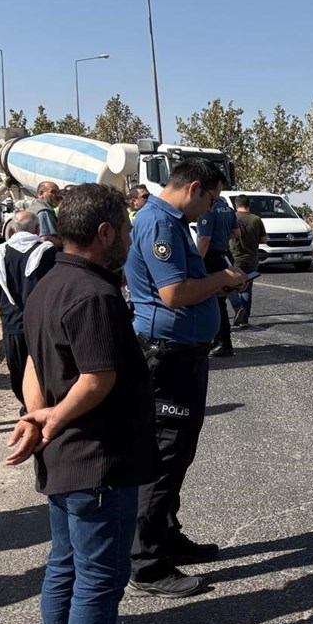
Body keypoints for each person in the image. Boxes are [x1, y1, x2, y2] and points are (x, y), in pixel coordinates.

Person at [3, 184, 154, 624]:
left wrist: (39, 415)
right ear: (105, 233)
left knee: (65, 567)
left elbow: (32, 362)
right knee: (99, 581)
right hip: (97, 462)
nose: (130, 241)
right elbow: (96, 378)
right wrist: (50, 418)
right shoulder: (93, 295)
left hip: (66, 459)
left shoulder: (47, 285)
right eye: (126, 231)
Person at [124, 158, 245, 598]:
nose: (209, 210)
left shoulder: (171, 222)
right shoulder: (159, 223)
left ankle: (166, 537)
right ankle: (147, 564)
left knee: (179, 451)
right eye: (211, 200)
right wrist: (221, 278)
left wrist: (217, 285)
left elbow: (187, 282)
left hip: (184, 354)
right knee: (165, 453)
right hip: (168, 357)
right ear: (194, 188)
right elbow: (173, 294)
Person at [0, 211, 56, 413]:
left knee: (18, 368)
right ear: (37, 229)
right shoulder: (47, 251)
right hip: (41, 322)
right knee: (44, 365)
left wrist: (5, 302)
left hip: (12, 321)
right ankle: (42, 405)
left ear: (12, 228)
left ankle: (26, 405)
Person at [195, 194, 240, 357]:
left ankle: (223, 343)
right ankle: (219, 341)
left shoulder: (208, 210)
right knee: (219, 301)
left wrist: (196, 261)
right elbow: (236, 233)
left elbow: (204, 239)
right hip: (224, 255)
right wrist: (221, 235)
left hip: (211, 257)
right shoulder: (228, 209)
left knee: (214, 301)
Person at [229, 195, 266, 327]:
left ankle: (238, 307)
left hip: (235, 259)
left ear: (236, 205)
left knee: (229, 288)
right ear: (249, 205)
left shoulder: (232, 217)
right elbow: (264, 240)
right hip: (252, 260)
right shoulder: (256, 219)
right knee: (247, 289)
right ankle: (245, 319)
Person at [28, 181, 63, 250]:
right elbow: (46, 238)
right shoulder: (44, 212)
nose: (57, 196)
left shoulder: (34, 207)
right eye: (53, 192)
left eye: (58, 193)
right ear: (41, 194)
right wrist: (66, 245)